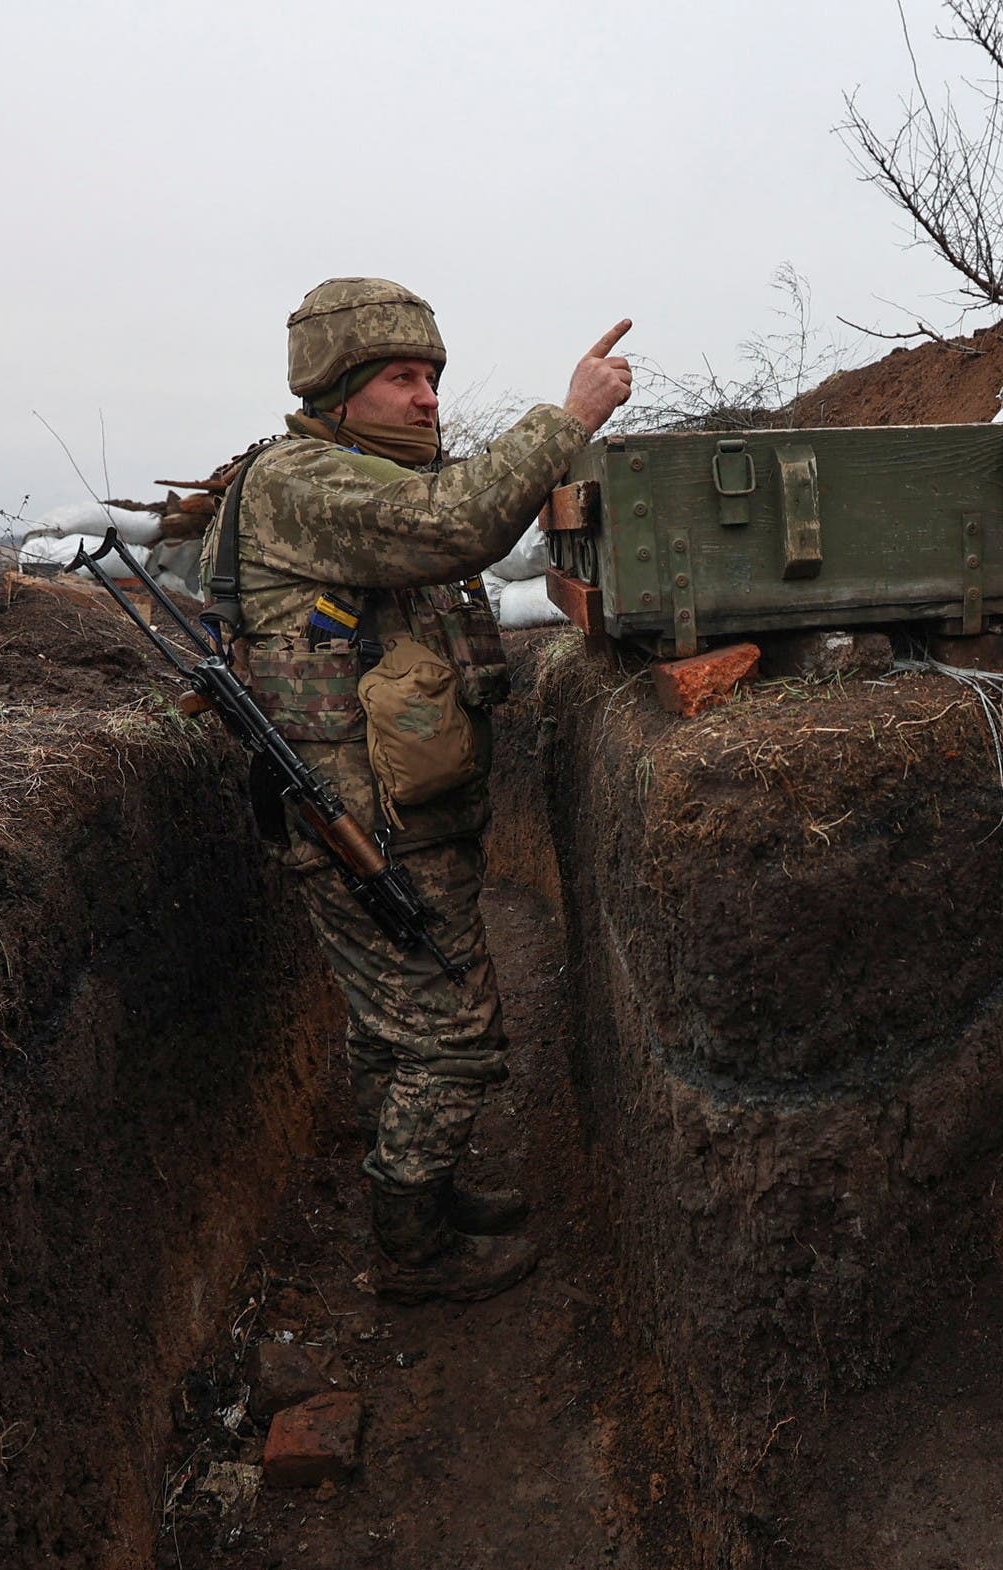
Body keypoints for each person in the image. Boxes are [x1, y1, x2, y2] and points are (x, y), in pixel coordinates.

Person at [203, 277, 632, 1304]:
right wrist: (568, 417)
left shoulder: (371, 479)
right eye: (401, 378)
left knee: (396, 1028)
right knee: (456, 1035)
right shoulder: (307, 483)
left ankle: (422, 1196)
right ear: (338, 389)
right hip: (363, 824)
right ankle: (411, 1246)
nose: (428, 397)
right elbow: (462, 525)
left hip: (401, 813)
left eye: (432, 377)